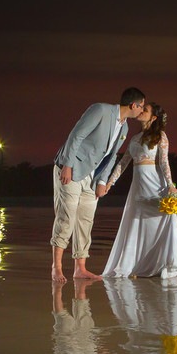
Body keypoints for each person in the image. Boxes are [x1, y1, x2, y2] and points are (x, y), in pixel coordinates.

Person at [51, 87, 146, 282]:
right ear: (133, 105)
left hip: (93, 176)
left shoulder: (125, 127)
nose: (142, 111)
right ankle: (57, 267)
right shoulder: (101, 110)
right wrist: (67, 165)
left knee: (86, 220)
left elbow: (112, 157)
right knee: (66, 216)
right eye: (142, 106)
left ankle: (80, 268)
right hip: (72, 167)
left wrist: (102, 181)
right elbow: (75, 136)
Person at [101, 102, 177, 279]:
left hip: (156, 185)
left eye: (145, 110)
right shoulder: (134, 139)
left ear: (153, 118)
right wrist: (110, 183)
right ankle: (136, 264)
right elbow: (123, 162)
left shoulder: (160, 136)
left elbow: (164, 162)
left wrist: (170, 184)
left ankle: (163, 263)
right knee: (137, 222)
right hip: (139, 186)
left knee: (160, 221)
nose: (141, 111)